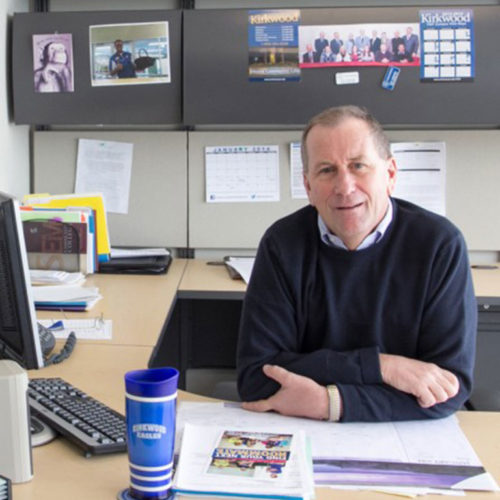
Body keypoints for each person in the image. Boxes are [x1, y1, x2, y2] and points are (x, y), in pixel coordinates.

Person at [236, 105, 476, 423]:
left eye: (358, 166)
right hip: (301, 430)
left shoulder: (438, 245)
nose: (345, 187)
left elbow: (448, 388)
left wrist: (330, 403)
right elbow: (256, 378)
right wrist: (382, 367)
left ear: (390, 175)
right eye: (326, 170)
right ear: (308, 187)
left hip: (401, 438)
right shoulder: (283, 244)